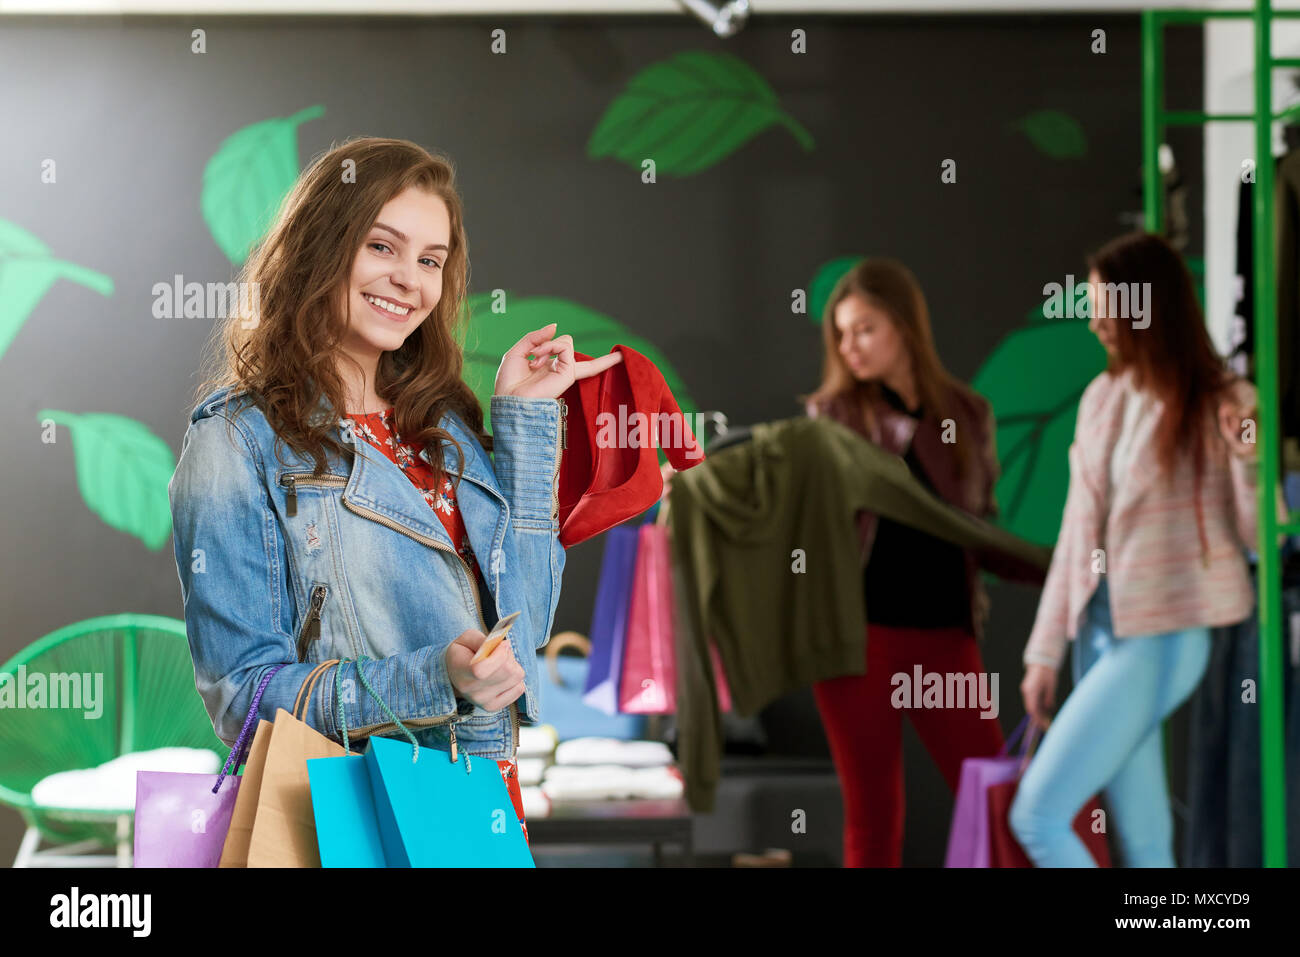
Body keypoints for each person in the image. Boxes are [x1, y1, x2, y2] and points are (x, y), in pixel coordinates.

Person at [168, 137, 620, 845]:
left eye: (431, 260)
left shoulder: (444, 424)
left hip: (480, 806)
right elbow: (244, 699)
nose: (410, 279)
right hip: (351, 820)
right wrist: (433, 678)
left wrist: (525, 426)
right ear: (321, 247)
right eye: (383, 247)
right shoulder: (235, 442)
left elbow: (522, 640)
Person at [1011, 231, 1263, 867]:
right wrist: (1044, 652)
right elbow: (1075, 536)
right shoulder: (1102, 400)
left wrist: (1250, 461)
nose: (1094, 321)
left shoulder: (1224, 401)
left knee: (1036, 815)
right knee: (1147, 843)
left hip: (1165, 637)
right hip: (1100, 632)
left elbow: (1261, 532)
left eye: (1104, 305)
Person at [800, 258, 1041, 867]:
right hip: (858, 645)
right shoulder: (831, 419)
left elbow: (981, 534)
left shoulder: (967, 413)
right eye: (842, 334)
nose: (849, 347)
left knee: (992, 804)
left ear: (904, 326)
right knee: (874, 821)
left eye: (865, 329)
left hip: (945, 641)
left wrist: (1062, 570)